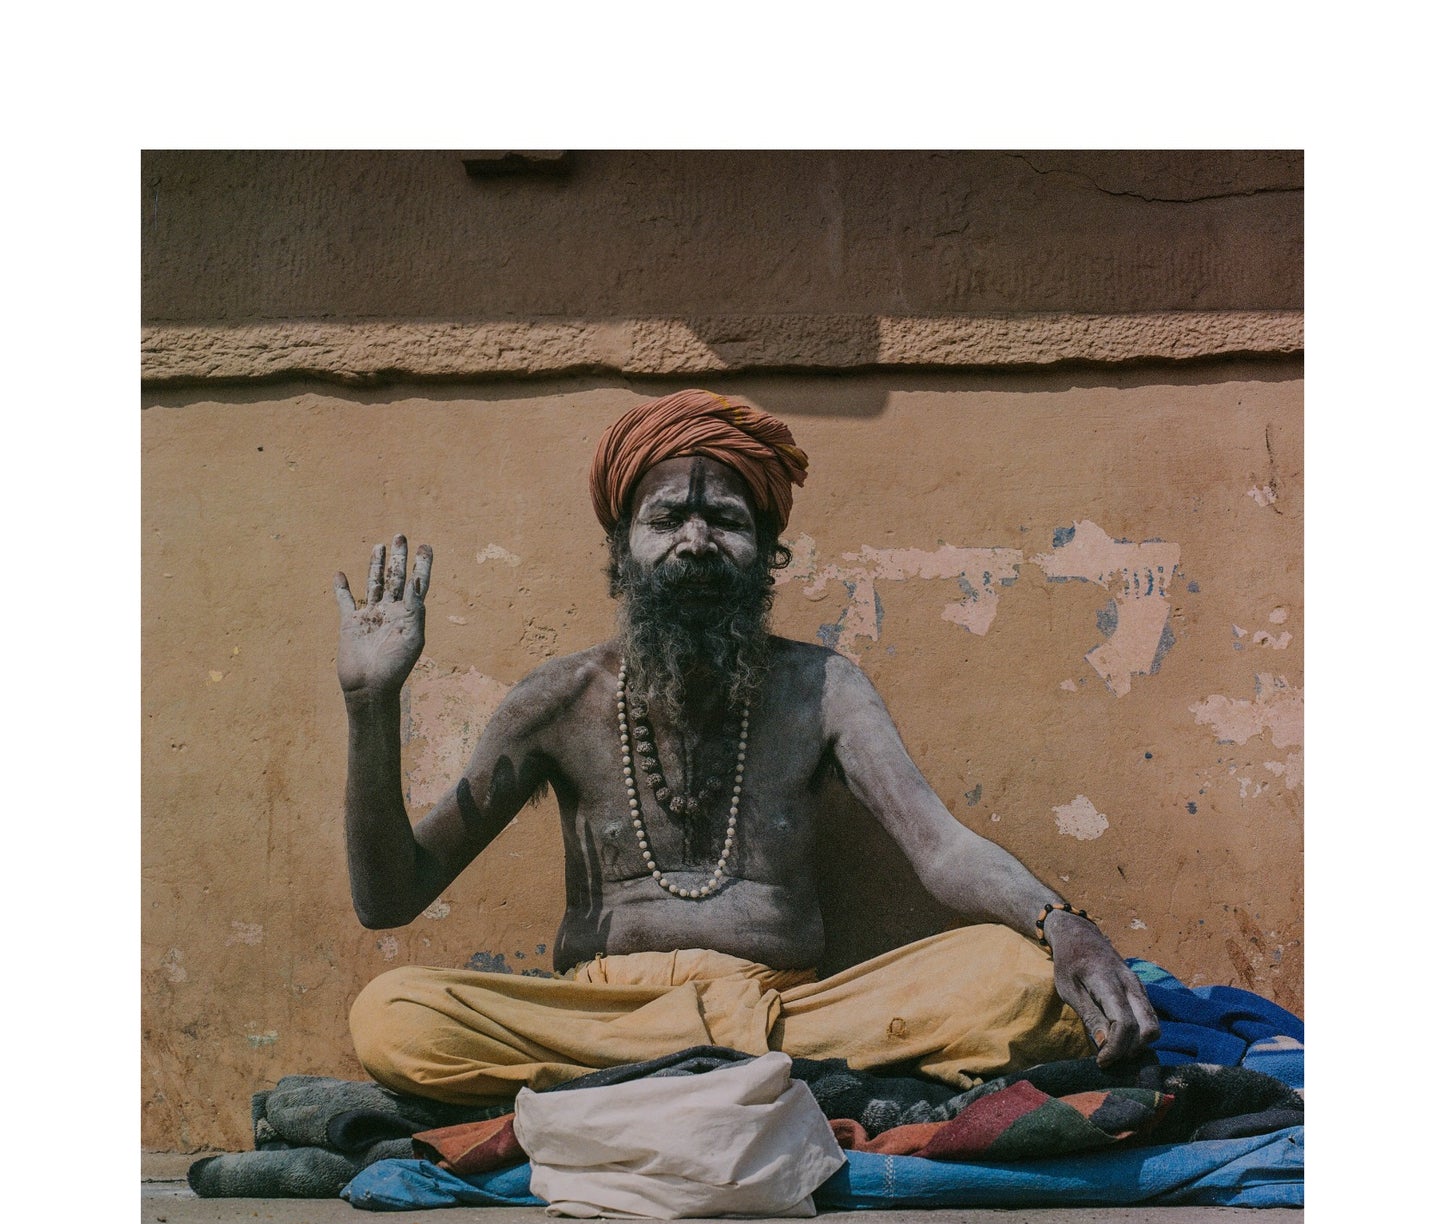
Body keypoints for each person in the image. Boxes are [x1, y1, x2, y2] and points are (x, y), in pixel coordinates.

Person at [337, 390, 1159, 1105]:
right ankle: (729, 1082)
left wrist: (1060, 923)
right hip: (603, 1019)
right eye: (665, 519)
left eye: (726, 521)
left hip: (788, 1015)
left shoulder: (822, 688)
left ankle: (654, 1089)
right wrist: (371, 708)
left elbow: (939, 844)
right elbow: (390, 897)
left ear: (767, 554)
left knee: (1017, 982)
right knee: (393, 1016)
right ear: (620, 549)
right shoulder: (556, 700)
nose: (695, 543)